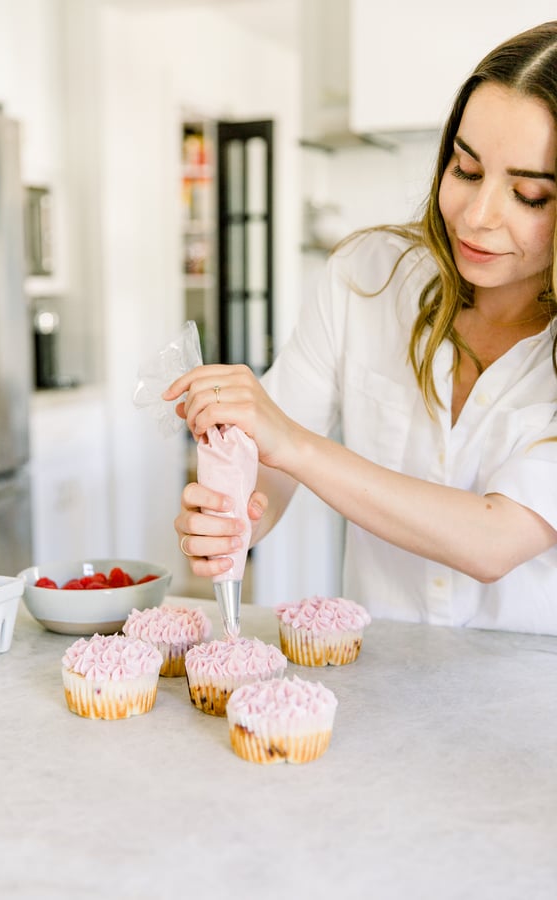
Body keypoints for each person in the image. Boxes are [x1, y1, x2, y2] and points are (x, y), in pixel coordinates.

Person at [164, 21, 557, 635]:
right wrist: (234, 509)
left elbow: (495, 539)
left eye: (531, 194)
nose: (478, 217)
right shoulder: (366, 277)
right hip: (375, 687)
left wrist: (292, 442)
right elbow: (269, 461)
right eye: (465, 169)